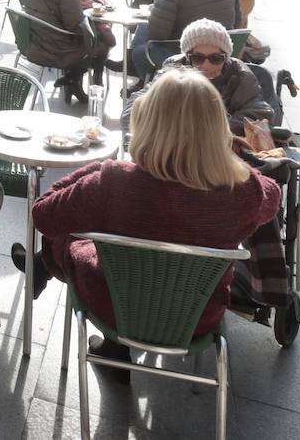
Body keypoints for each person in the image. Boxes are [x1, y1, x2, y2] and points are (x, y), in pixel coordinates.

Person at [19, 69, 279, 375]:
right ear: (218, 128)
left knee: (69, 235)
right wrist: (231, 163)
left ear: (149, 123)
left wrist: (97, 170)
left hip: (114, 305)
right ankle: (108, 343)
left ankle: (46, 274)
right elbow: (272, 197)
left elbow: (44, 215)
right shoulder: (245, 191)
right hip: (197, 317)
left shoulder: (114, 180)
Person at [121, 20, 271, 135]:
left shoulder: (239, 75)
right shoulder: (173, 68)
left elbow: (261, 113)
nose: (206, 65)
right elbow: (131, 112)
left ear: (226, 57)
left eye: (216, 58)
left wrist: (212, 128)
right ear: (187, 57)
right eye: (198, 58)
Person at [24, 0, 109, 102]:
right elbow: (74, 24)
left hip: (34, 40)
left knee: (90, 40)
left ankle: (71, 80)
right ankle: (77, 81)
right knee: (100, 45)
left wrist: (74, 4)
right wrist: (82, 10)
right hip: (54, 46)